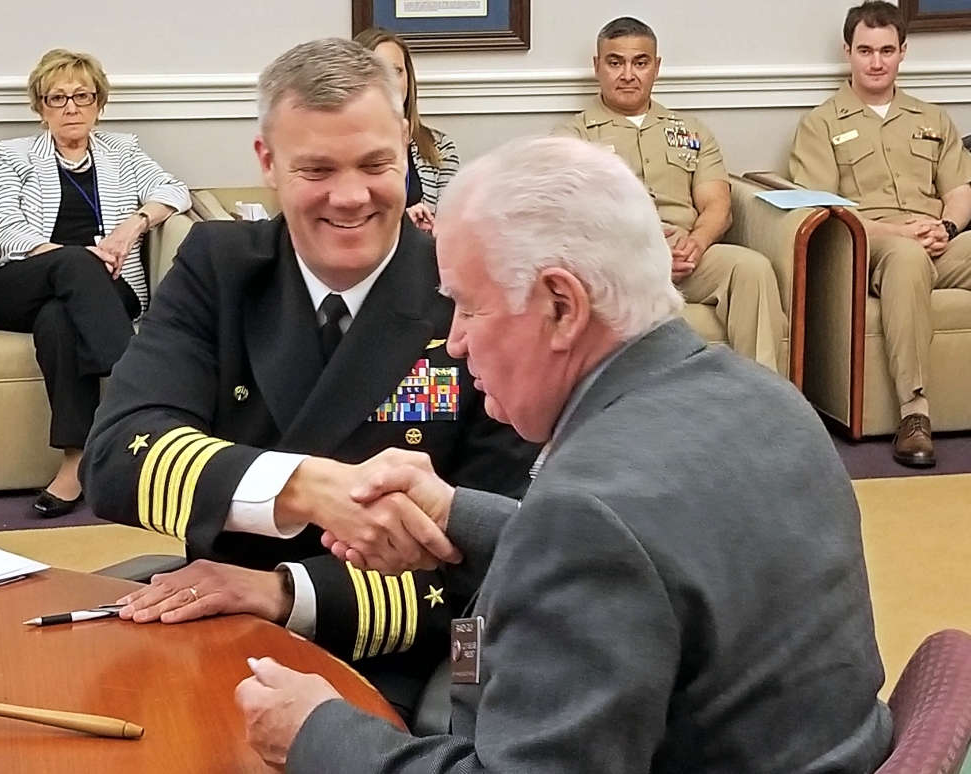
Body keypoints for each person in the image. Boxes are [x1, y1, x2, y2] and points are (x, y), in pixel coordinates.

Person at [233, 136, 892, 774]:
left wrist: (315, 732)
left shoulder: (588, 513)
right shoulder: (764, 399)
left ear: (561, 305)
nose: (455, 343)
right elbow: (648, 561)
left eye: (467, 307)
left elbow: (603, 538)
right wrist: (457, 516)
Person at [80, 38, 537, 721]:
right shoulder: (221, 267)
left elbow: (500, 558)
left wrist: (284, 590)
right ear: (267, 162)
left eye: (377, 164)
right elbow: (117, 459)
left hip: (394, 653)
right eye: (317, 168)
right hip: (216, 635)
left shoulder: (469, 287)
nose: (350, 197)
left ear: (406, 151)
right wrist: (310, 488)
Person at [0, 49, 191, 517]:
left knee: (59, 321)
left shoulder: (124, 151)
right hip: (20, 281)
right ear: (40, 106)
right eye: (58, 98)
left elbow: (173, 191)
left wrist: (130, 227)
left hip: (101, 290)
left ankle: (75, 463)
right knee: (75, 266)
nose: (71, 107)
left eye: (82, 96)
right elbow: (7, 229)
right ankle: (133, 380)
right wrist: (79, 257)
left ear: (99, 103)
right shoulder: (11, 155)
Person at [789, 0, 971, 468]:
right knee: (907, 260)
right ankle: (914, 414)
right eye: (865, 50)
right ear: (847, 51)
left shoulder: (932, 118)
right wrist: (900, 233)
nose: (876, 62)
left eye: (886, 50)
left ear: (903, 52)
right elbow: (826, 212)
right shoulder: (821, 124)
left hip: (939, 242)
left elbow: (961, 190)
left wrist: (946, 227)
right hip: (871, 246)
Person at [553, 17, 787, 373]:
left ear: (656, 67)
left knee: (750, 268)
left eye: (640, 62)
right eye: (615, 62)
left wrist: (697, 242)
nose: (628, 74)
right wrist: (647, 253)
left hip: (688, 256)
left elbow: (717, 205)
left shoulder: (690, 130)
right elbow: (577, 218)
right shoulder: (573, 137)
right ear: (597, 66)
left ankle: (764, 400)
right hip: (620, 264)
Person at [355, 27, 460, 234]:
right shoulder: (342, 145)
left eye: (397, 71)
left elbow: (451, 226)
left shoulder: (439, 146)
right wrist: (402, 225)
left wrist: (426, 228)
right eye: (379, 71)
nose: (391, 82)